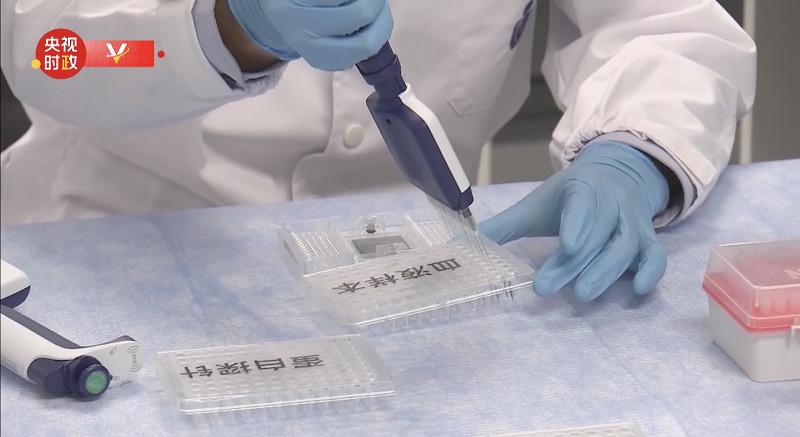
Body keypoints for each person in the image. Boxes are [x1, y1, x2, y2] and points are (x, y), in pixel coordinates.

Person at [0, 0, 756, 302]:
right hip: (109, 251)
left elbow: (663, 25)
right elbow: (48, 48)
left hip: (421, 276)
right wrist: (226, 29)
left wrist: (633, 151)